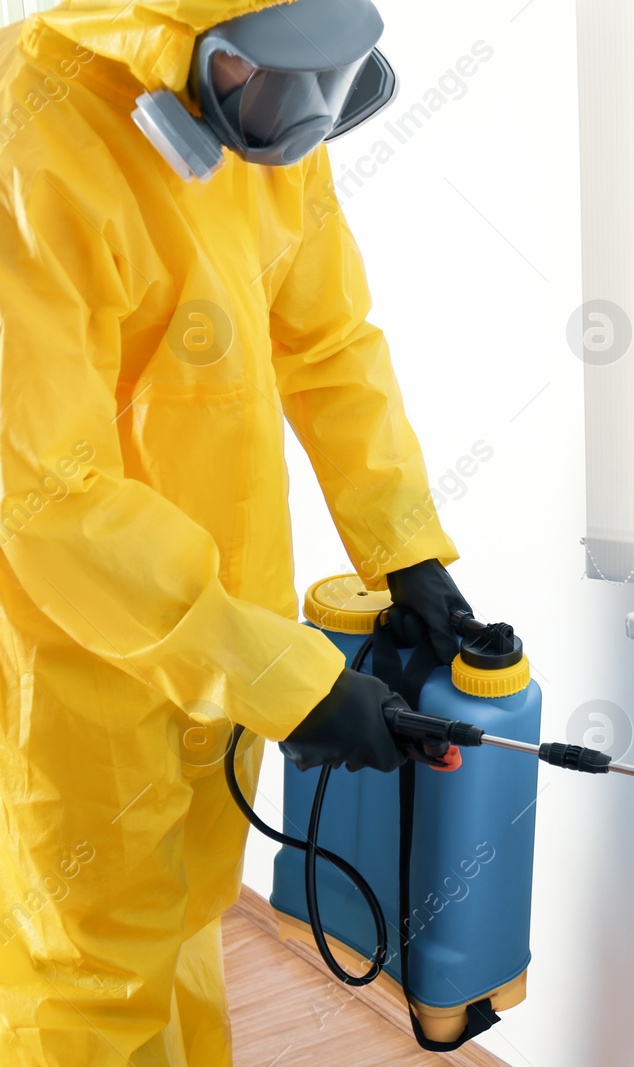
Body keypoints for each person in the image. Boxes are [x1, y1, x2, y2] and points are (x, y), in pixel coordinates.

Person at [0, 1, 471, 1062]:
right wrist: (279, 676)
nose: (303, 117)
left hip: (223, 637)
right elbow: (47, 495)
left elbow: (326, 340)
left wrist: (404, 547)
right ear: (177, 38)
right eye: (278, 78)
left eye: (331, 79)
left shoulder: (257, 110)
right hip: (68, 659)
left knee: (183, 926)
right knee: (88, 974)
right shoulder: (30, 141)